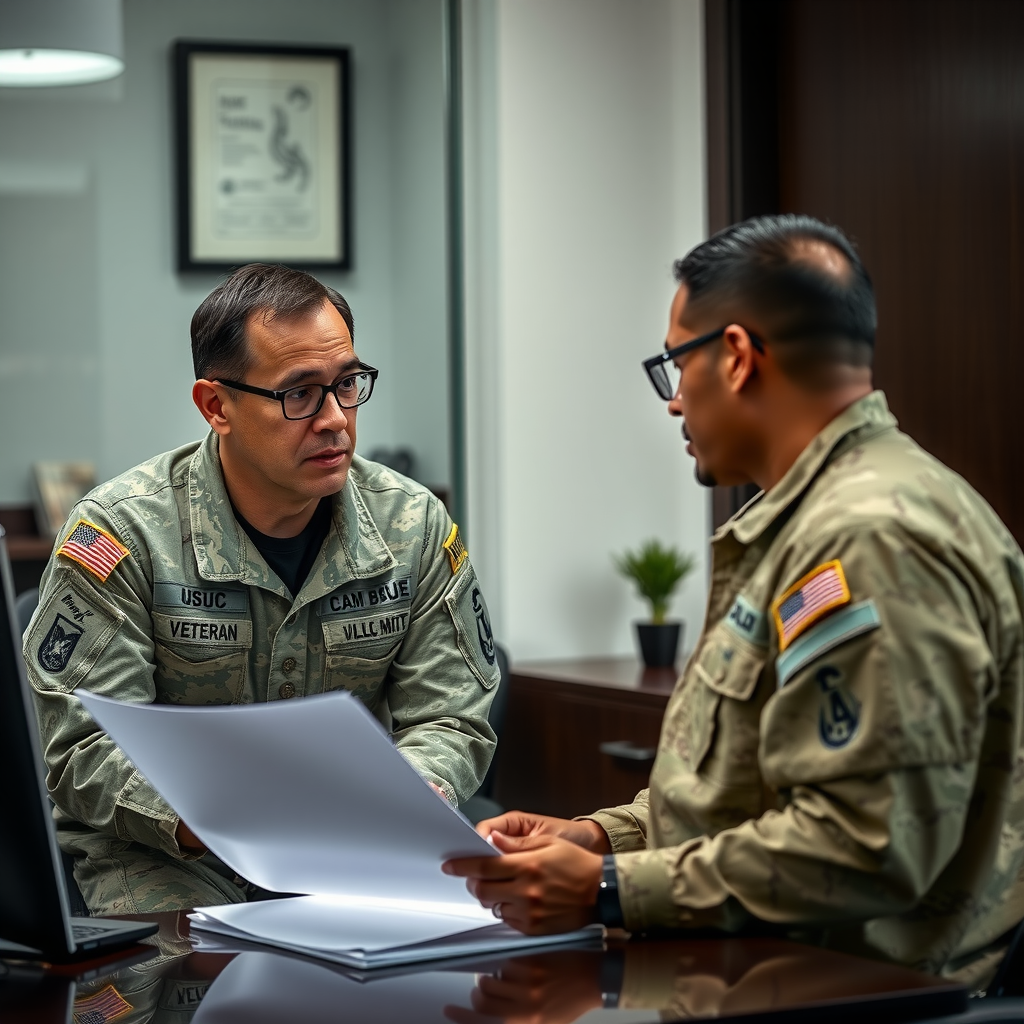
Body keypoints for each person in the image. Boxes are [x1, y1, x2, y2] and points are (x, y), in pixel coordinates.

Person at [444, 214, 1024, 989]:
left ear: (739, 357)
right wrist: (597, 840)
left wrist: (609, 891)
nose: (674, 402)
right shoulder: (806, 521)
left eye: (676, 366)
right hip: (746, 973)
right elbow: (747, 796)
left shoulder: (873, 537)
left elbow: (867, 845)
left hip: (853, 999)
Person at [25, 264, 499, 914]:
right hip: (171, 851)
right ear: (216, 406)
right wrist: (219, 819)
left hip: (352, 845)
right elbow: (79, 747)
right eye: (300, 394)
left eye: (348, 384)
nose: (335, 419)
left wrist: (412, 791)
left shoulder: (411, 526)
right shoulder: (124, 533)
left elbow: (449, 715)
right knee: (195, 978)